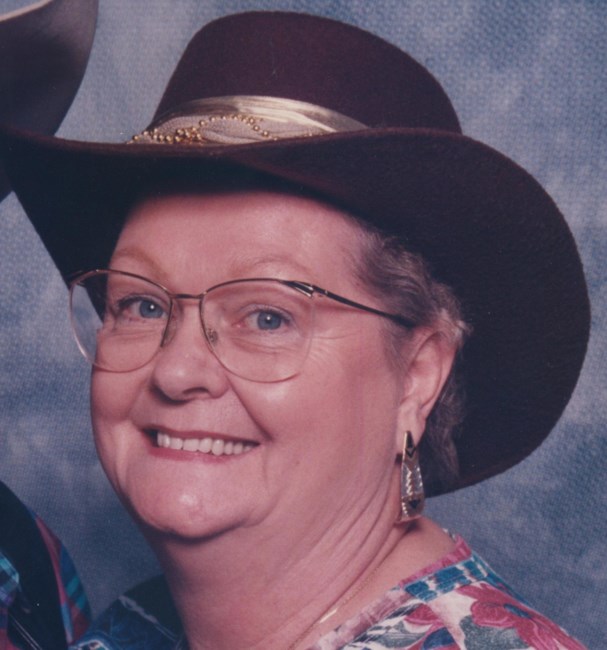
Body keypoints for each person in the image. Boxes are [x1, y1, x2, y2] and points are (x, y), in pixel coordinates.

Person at [0, 11, 590, 650]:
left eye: (267, 317)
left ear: (417, 376)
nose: (176, 370)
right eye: (142, 306)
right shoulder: (132, 625)